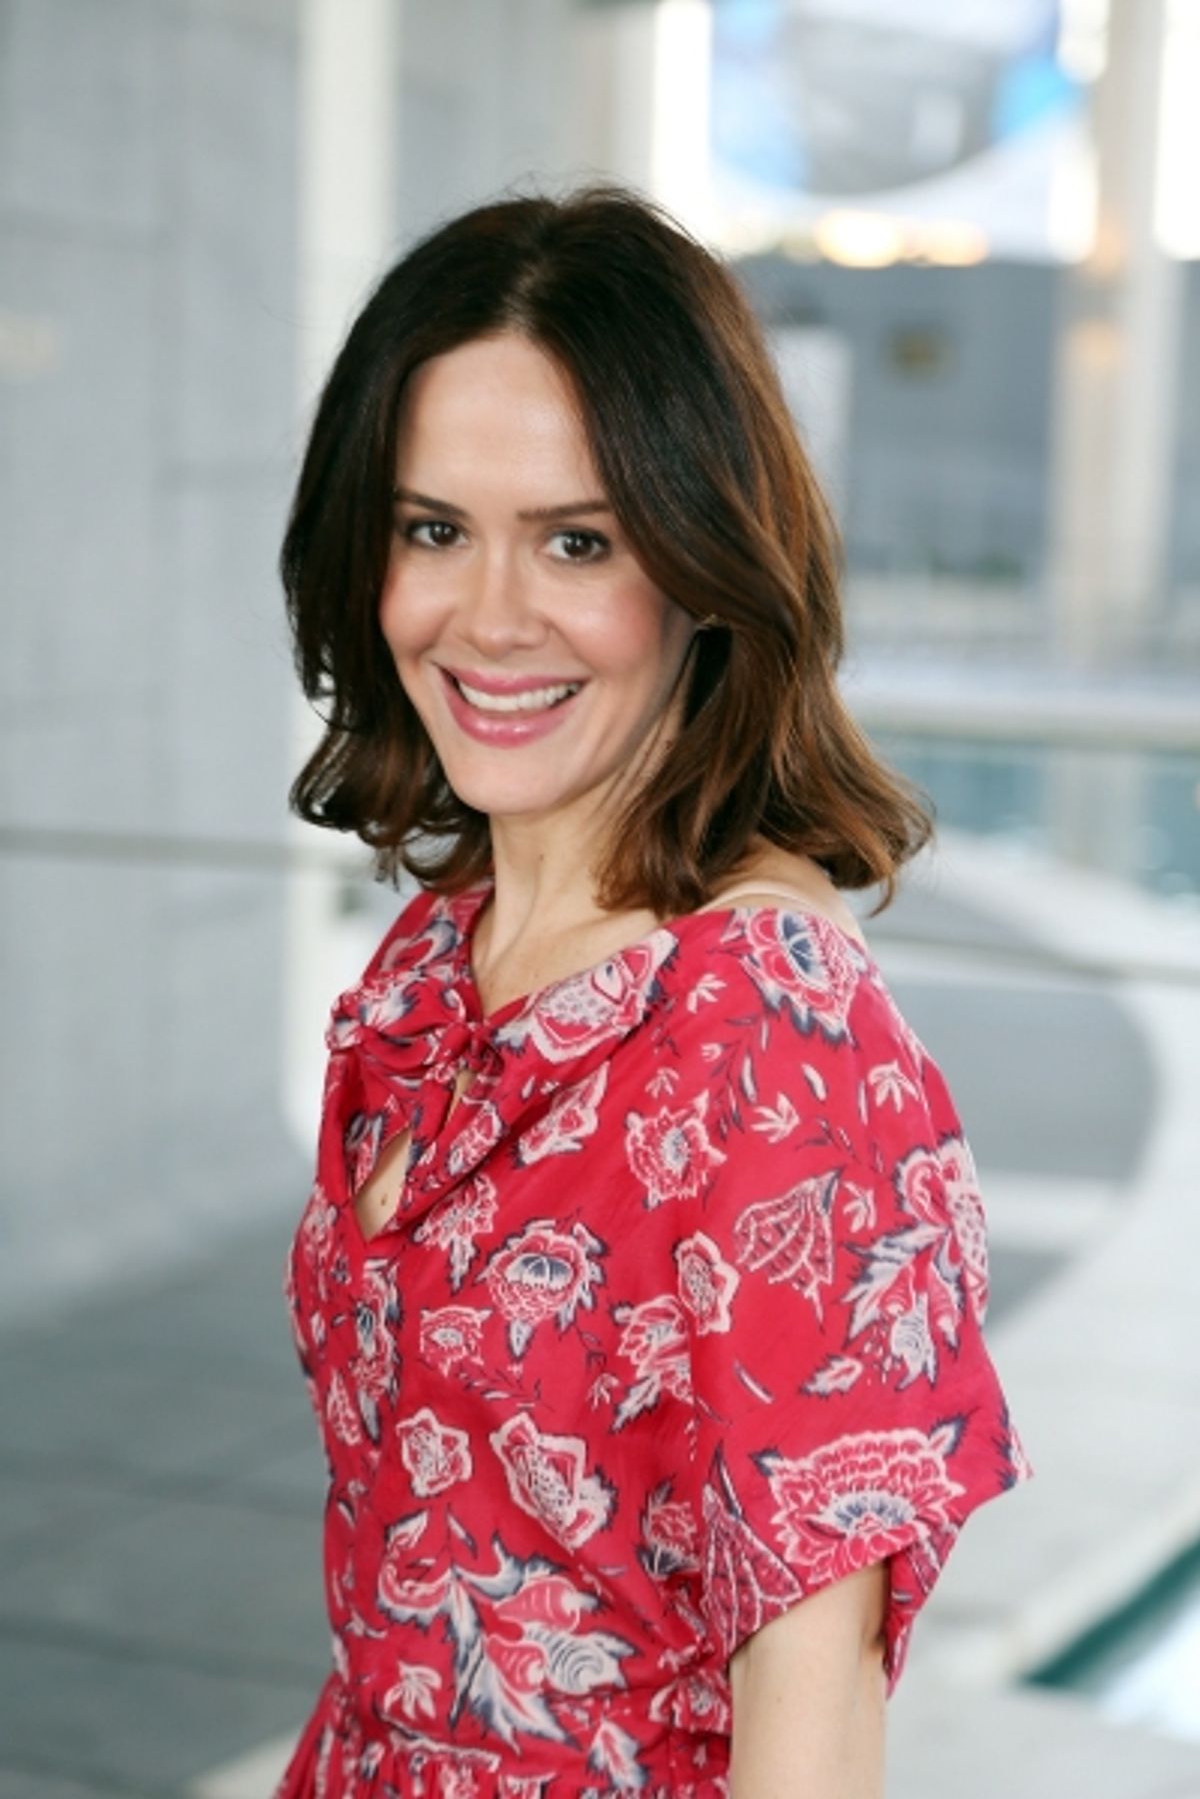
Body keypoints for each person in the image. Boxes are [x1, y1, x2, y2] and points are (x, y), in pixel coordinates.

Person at [276, 184, 1031, 1799]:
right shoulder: (436, 959)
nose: (489, 618)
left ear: (703, 562)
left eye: (578, 540)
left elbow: (812, 1712)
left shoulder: (765, 1031)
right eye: (432, 530)